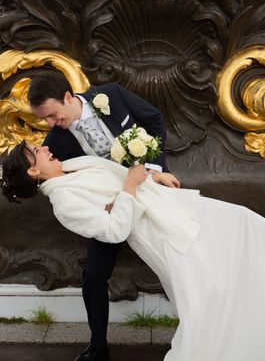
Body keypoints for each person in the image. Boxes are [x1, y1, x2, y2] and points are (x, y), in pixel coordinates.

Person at [0, 142, 265, 361]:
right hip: (160, 231)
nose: (45, 147)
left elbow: (118, 175)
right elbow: (112, 231)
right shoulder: (63, 200)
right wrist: (127, 189)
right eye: (37, 152)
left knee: (242, 222)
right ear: (33, 173)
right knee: (207, 293)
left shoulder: (71, 167)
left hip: (173, 206)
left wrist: (150, 177)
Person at [28, 72, 177, 361]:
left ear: (69, 97)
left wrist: (155, 168)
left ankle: (197, 322)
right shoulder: (55, 140)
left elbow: (154, 119)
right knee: (94, 276)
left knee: (180, 256)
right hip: (112, 208)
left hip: (151, 183)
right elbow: (55, 178)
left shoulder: (110, 95)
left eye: (53, 115)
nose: (50, 124)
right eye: (44, 119)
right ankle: (97, 347)